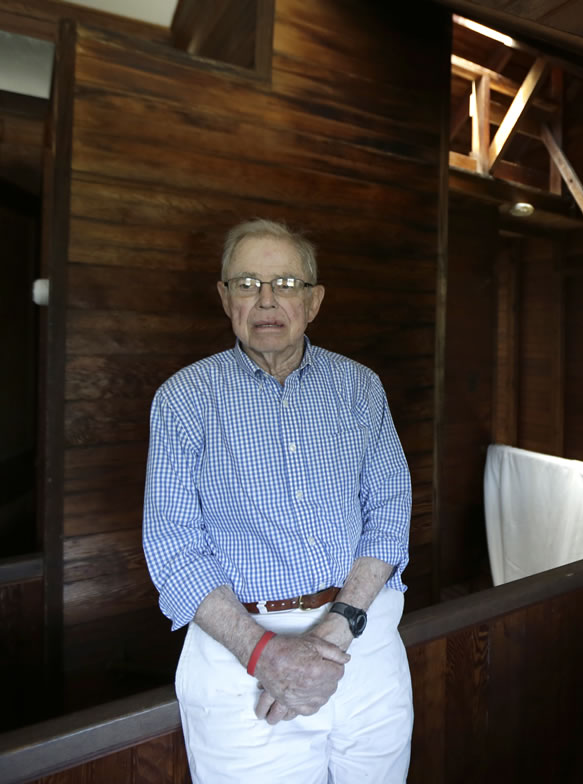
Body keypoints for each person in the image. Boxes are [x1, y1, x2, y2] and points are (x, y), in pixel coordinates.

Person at [142, 218, 413, 783]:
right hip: (240, 653)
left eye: (286, 284)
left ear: (313, 302)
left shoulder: (359, 386)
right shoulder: (184, 399)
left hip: (363, 638)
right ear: (225, 298)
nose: (267, 300)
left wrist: (338, 625)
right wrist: (267, 655)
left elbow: (389, 512)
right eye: (246, 284)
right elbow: (172, 547)